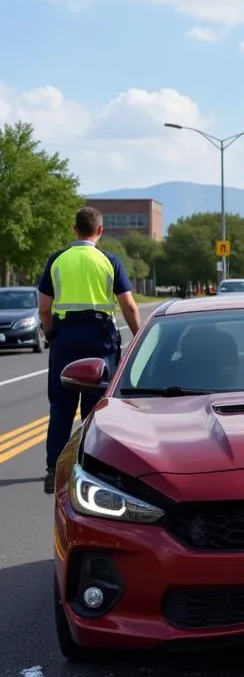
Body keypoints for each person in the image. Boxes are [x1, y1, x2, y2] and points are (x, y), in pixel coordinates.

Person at [38, 206, 141, 493]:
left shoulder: (57, 260)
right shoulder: (109, 260)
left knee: (61, 405)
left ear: (74, 229)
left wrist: (50, 333)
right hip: (100, 338)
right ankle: (95, 468)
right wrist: (138, 337)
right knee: (97, 408)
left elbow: (44, 307)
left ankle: (52, 471)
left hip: (66, 336)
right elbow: (129, 304)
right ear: (100, 231)